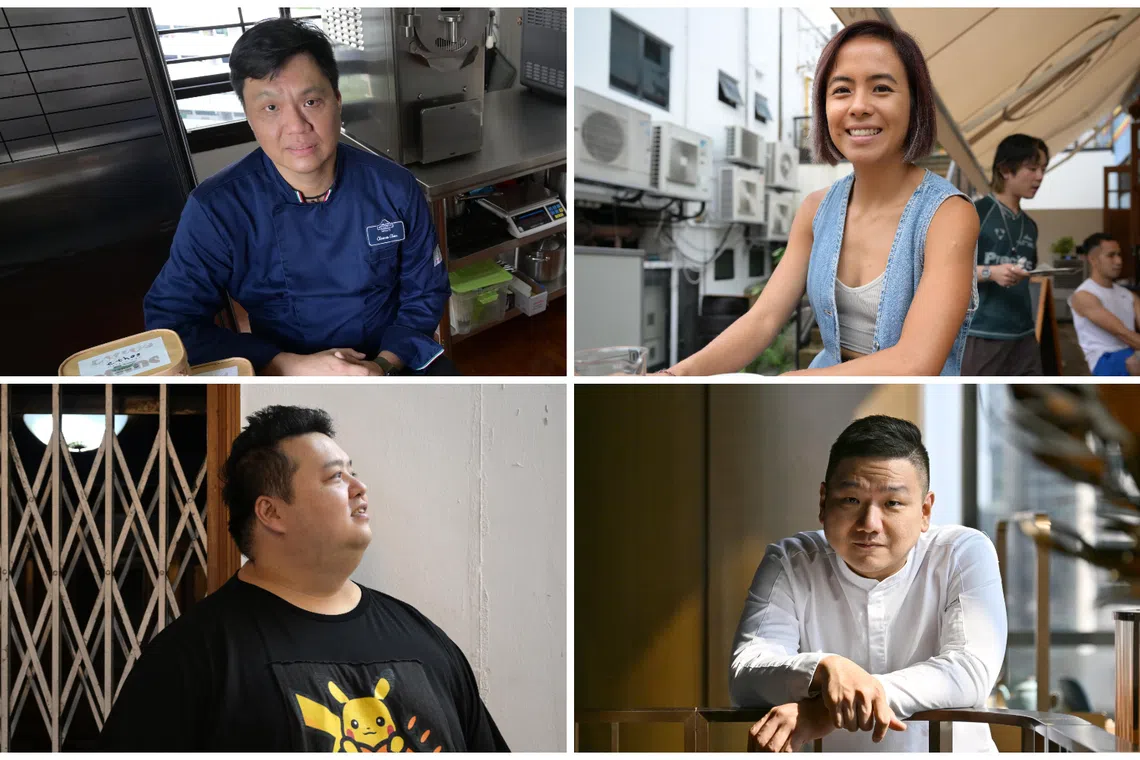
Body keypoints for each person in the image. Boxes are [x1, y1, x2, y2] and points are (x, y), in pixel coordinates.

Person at [98, 406, 508, 751]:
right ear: (271, 513)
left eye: (353, 473)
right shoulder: (193, 658)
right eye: (335, 477)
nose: (359, 488)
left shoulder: (423, 640)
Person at [661, 20, 977, 377]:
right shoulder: (815, 209)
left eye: (882, 88)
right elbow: (763, 320)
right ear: (824, 107)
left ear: (915, 104)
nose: (858, 106)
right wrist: (674, 375)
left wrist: (787, 382)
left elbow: (916, 362)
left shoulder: (948, 214)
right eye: (842, 90)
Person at [144, 19, 455, 376]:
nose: (296, 126)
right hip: (279, 366)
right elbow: (171, 326)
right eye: (271, 108)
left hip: (391, 357)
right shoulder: (216, 209)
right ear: (249, 117)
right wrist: (288, 365)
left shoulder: (395, 187)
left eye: (311, 101)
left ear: (337, 101)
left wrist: (381, 365)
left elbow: (425, 292)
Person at [730, 415, 1005, 753]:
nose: (869, 524)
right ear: (823, 501)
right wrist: (824, 668)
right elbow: (745, 674)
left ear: (925, 512)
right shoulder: (791, 561)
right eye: (851, 500)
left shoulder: (962, 553)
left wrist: (826, 711)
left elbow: (969, 670)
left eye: (892, 503)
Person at [962, 134, 1049, 376]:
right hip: (981, 333)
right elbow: (943, 272)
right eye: (1032, 168)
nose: (1040, 177)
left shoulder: (1030, 225)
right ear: (1005, 170)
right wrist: (991, 273)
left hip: (1025, 335)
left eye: (1043, 169)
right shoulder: (972, 213)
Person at [1070, 233, 1140, 376]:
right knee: (1132, 360)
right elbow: (1122, 333)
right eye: (1111, 255)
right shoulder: (1083, 296)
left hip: (1131, 353)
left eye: (1119, 255)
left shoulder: (1129, 295)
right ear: (1093, 260)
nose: (1119, 261)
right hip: (1105, 360)